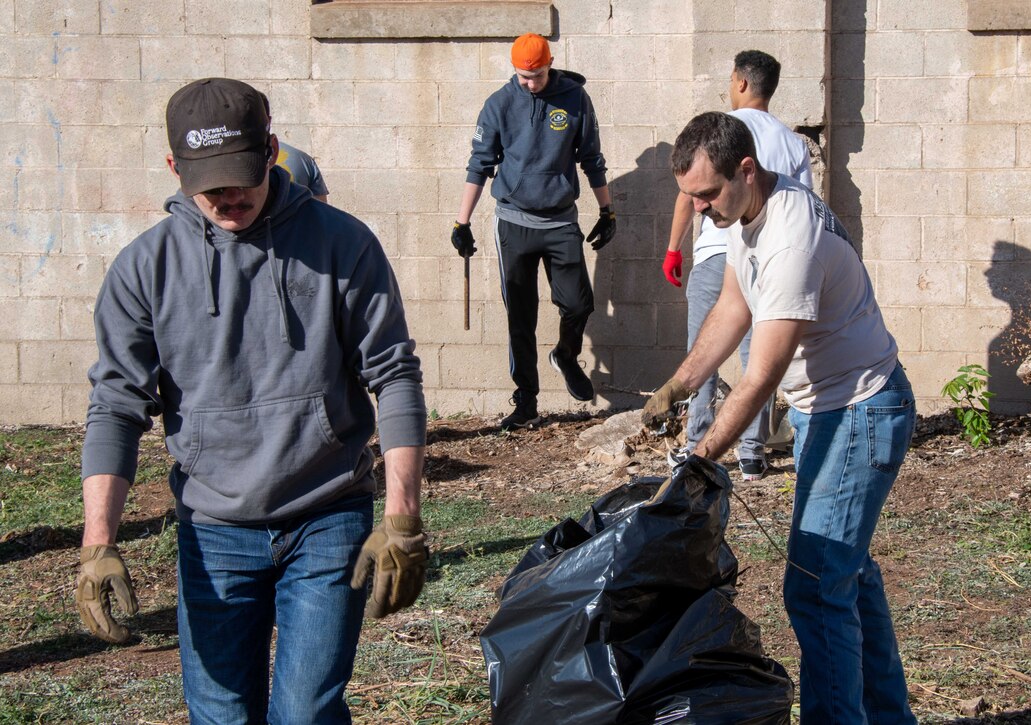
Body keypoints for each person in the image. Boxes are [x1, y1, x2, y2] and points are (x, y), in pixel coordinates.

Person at [75, 77, 429, 724]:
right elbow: (115, 405)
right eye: (208, 182)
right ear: (173, 168)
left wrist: (402, 515)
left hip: (327, 516)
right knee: (221, 713)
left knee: (306, 713)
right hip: (213, 530)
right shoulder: (143, 269)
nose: (227, 195)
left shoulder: (343, 245)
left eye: (240, 173)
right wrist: (98, 541)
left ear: (271, 150)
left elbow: (395, 375)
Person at [643, 112, 917, 724]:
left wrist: (700, 456)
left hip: (861, 409)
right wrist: (679, 384)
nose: (701, 211)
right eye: (690, 198)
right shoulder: (743, 218)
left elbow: (761, 375)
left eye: (707, 195)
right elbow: (732, 307)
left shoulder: (792, 236)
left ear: (746, 169)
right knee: (848, 575)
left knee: (817, 587)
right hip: (831, 411)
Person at [451, 32, 616, 429]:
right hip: (514, 222)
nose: (530, 83)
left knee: (578, 304)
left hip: (560, 220)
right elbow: (480, 164)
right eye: (523, 77)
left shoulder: (575, 99)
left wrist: (607, 210)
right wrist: (462, 221)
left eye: (537, 75)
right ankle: (526, 400)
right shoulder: (499, 104)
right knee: (520, 316)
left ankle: (564, 354)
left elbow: (591, 158)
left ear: (550, 63)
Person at [661, 50, 812, 481]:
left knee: (702, 349)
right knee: (754, 353)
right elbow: (799, 200)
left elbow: (688, 195)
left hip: (717, 252)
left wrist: (674, 249)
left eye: (730, 79)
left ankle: (694, 446)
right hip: (766, 256)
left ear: (741, 83)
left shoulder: (721, 133)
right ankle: (751, 450)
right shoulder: (791, 141)